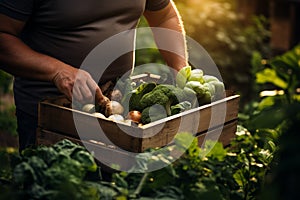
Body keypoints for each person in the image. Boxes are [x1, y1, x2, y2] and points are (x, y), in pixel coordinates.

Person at [0, 0, 188, 151]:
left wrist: (181, 70)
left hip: (120, 111)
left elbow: (164, 16)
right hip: (52, 112)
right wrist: (58, 72)